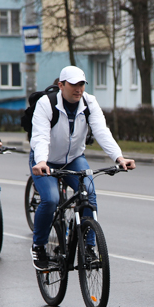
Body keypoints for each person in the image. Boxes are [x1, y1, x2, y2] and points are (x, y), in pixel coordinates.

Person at [29, 65, 135, 269]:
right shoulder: (46, 103)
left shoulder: (89, 102)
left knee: (89, 193)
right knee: (50, 200)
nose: (78, 89)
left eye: (82, 84)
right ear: (61, 85)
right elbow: (40, 136)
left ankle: (88, 248)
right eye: (73, 85)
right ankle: (38, 246)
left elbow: (101, 131)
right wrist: (41, 160)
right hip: (45, 160)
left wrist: (119, 157)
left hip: (73, 158)